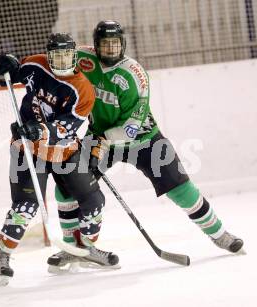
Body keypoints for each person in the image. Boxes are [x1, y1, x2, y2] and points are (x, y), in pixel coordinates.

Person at [50, 20, 244, 270]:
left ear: (124, 44)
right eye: (105, 44)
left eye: (115, 44)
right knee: (66, 184)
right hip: (100, 137)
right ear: (96, 45)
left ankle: (219, 234)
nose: (110, 49)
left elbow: (131, 127)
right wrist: (19, 67)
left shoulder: (134, 74)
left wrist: (104, 140)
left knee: (181, 189)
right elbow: (56, 61)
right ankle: (72, 248)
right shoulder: (84, 58)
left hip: (143, 139)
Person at [0, 33, 119, 286]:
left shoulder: (83, 89)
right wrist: (1, 66)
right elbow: (8, 76)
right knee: (25, 207)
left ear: (74, 56)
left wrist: (40, 130)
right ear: (49, 55)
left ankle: (85, 248)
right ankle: (1, 257)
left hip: (64, 150)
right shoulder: (36, 65)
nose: (60, 59)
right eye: (56, 54)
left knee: (94, 200)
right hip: (27, 149)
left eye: (66, 54)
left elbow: (68, 127)